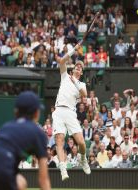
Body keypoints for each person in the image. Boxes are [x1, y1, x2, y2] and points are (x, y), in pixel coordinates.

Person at [0, 91, 51, 190]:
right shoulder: (38, 133)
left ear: (16, 112)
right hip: (1, 164)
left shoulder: (7, 126)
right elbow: (43, 180)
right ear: (37, 113)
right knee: (20, 183)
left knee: (19, 182)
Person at [52, 43, 91, 181]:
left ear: (81, 73)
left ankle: (83, 159)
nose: (78, 68)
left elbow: (84, 95)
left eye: (80, 68)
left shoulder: (81, 84)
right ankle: (63, 169)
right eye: (77, 66)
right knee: (59, 140)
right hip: (58, 111)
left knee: (81, 143)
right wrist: (73, 50)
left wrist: (74, 80)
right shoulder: (64, 76)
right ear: (73, 69)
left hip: (70, 113)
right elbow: (62, 61)